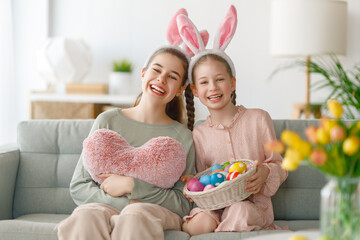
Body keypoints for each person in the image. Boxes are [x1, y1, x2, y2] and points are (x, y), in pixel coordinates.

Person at [56, 14, 197, 238]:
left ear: (180, 90)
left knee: (134, 216)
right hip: (104, 206)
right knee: (85, 216)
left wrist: (133, 186)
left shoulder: (182, 137)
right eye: (156, 70)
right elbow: (79, 185)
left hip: (153, 213)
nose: (161, 79)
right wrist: (120, 205)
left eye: (172, 77)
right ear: (143, 74)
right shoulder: (107, 121)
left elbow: (183, 203)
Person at [177, 6, 288, 235]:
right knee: (201, 223)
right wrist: (191, 183)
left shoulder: (259, 118)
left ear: (233, 83)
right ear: (195, 91)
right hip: (213, 208)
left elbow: (279, 164)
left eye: (220, 79)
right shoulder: (199, 133)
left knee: (239, 212)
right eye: (204, 83)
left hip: (252, 207)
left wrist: (266, 172)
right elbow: (204, 177)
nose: (213, 88)